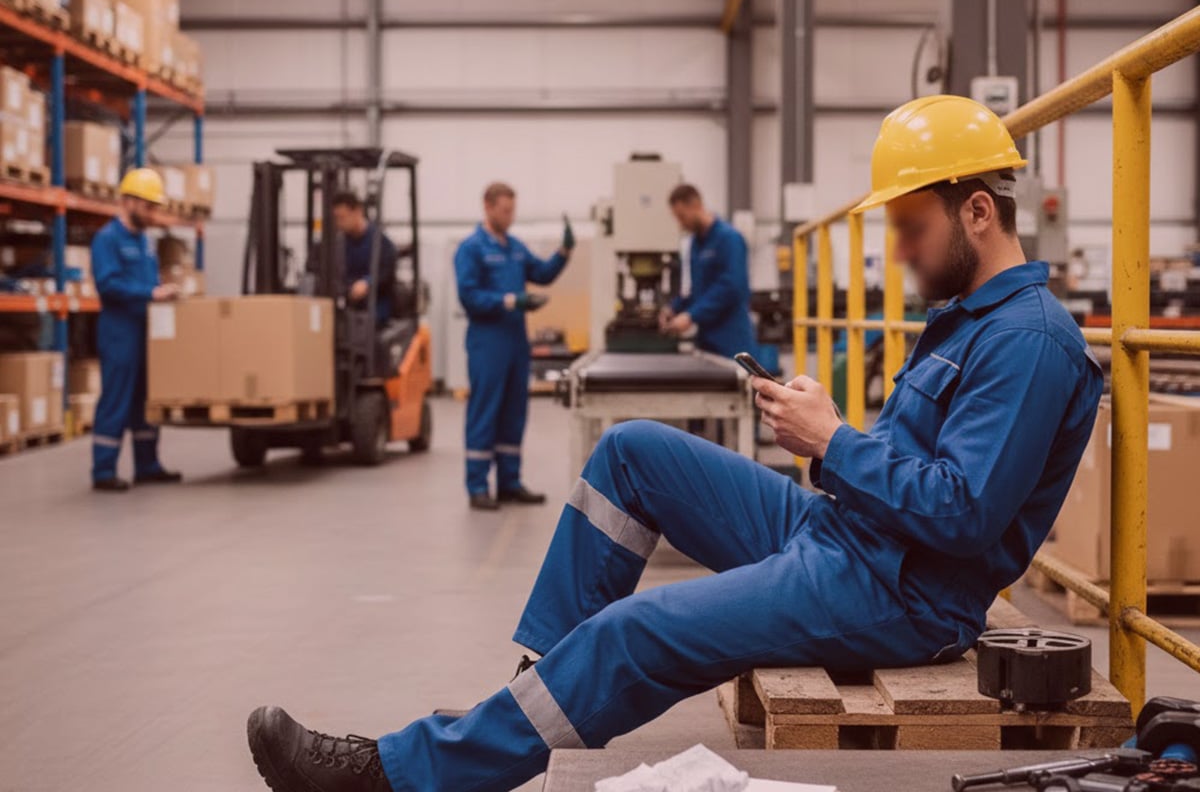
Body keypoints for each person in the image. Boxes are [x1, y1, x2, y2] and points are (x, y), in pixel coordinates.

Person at [244, 95, 1103, 792]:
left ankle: (398, 775)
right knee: (632, 451)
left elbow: (963, 515)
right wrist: (824, 436)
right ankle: (531, 693)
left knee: (638, 629)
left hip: (900, 593)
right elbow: (920, 471)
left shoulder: (1027, 341)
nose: (902, 251)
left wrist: (834, 440)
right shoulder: (969, 319)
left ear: (978, 212)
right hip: (849, 533)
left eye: (912, 227)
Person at [452, 182, 573, 511]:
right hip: (487, 341)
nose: (510, 216)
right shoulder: (472, 248)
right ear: (488, 206)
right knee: (485, 410)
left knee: (514, 411)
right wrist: (510, 300)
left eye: (512, 210)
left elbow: (542, 274)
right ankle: (477, 486)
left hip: (516, 341)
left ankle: (509, 482)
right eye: (506, 210)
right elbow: (469, 295)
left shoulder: (515, 248)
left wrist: (563, 253)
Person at [91, 168, 183, 492]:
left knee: (146, 400)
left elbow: (150, 283)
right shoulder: (107, 239)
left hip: (145, 329)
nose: (153, 213)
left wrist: (163, 292)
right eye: (148, 206)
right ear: (128, 201)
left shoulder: (144, 242)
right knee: (116, 397)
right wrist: (150, 294)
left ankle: (148, 464)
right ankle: (103, 470)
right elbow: (107, 284)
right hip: (119, 330)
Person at [660, 183, 755, 358]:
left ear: (695, 205)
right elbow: (698, 291)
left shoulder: (729, 238)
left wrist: (691, 316)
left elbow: (732, 286)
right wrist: (673, 309)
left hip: (731, 344)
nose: (681, 225)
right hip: (707, 343)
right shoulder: (696, 244)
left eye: (682, 217)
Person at [331, 190, 398, 324]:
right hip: (349, 305)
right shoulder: (340, 244)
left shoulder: (380, 242)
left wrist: (368, 283)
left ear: (357, 212)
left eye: (343, 218)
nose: (339, 223)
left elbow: (386, 272)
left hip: (376, 307)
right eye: (336, 219)